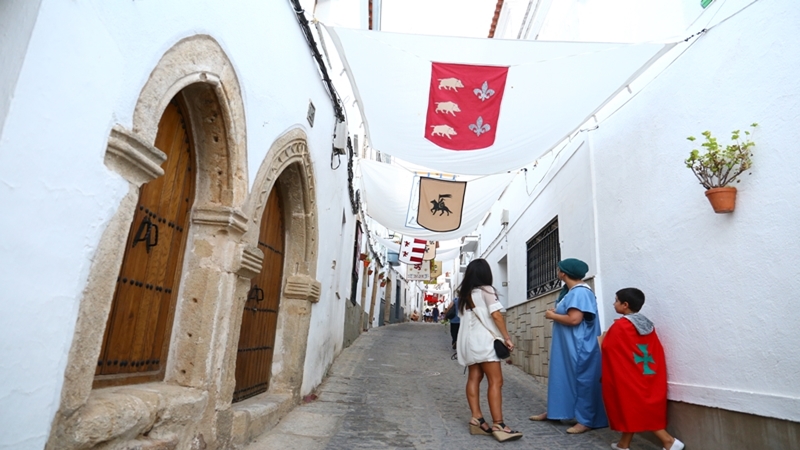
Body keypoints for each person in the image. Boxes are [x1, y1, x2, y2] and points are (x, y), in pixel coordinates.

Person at [529, 258, 608, 433]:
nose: (557, 270)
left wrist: (552, 316)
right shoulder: (571, 291)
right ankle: (556, 412)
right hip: (568, 344)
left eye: (559, 269)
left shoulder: (580, 292)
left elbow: (574, 319)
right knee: (561, 378)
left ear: (564, 273)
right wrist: (557, 311)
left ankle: (585, 420)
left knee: (582, 381)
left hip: (578, 346)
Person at [600, 288, 684, 450]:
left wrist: (603, 340)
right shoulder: (647, 324)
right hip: (646, 372)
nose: (613, 303)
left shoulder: (621, 326)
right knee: (632, 408)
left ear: (625, 305)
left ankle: (669, 441)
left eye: (616, 300)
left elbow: (609, 348)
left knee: (633, 408)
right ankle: (623, 444)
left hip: (629, 375)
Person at [456, 259, 522, 442]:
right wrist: (506, 337)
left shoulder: (464, 296)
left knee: (474, 378)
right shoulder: (487, 290)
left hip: (468, 343)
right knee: (496, 381)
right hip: (485, 341)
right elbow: (496, 315)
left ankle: (477, 419)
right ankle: (499, 424)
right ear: (486, 273)